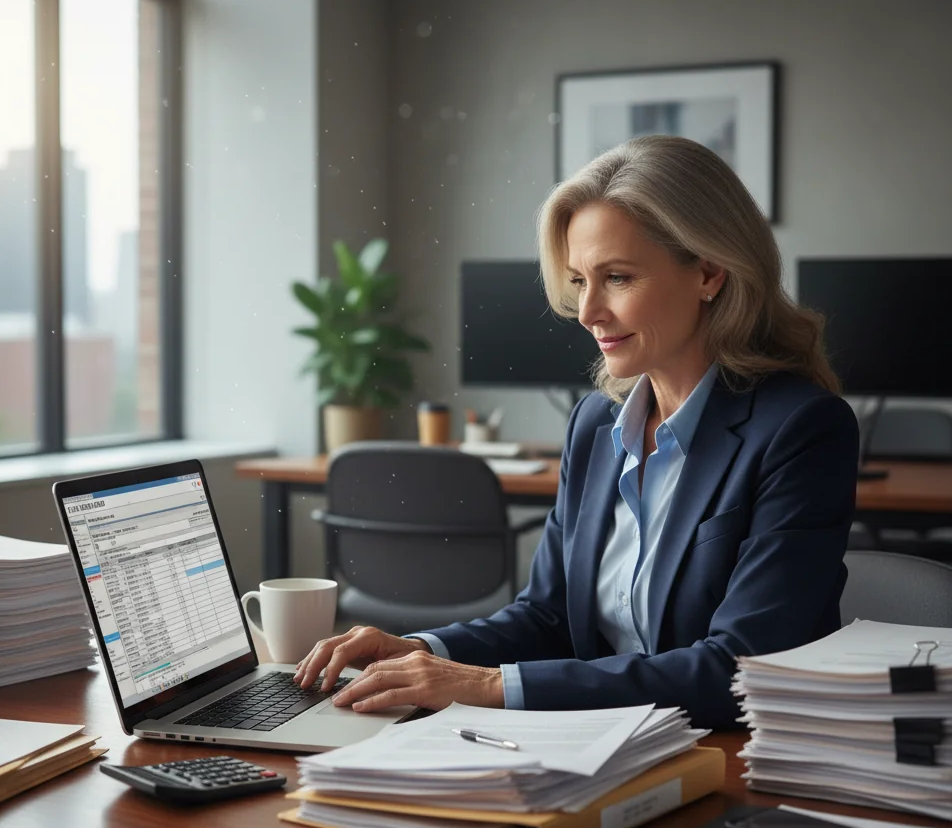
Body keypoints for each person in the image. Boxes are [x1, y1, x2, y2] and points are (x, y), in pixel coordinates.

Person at [294, 134, 860, 729]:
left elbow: (737, 670)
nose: (587, 312)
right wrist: (423, 651)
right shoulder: (594, 426)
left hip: (723, 759)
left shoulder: (802, 429)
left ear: (710, 272)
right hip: (591, 746)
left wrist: (483, 685)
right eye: (578, 281)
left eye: (616, 278)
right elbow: (548, 617)